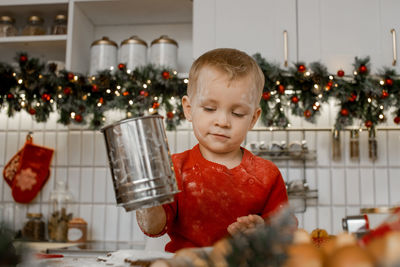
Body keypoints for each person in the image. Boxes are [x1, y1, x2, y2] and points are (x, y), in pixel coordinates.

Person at [136, 48, 288, 253]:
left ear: (253, 118)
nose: (222, 122)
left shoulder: (267, 175)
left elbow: (286, 235)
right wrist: (148, 201)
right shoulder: (174, 168)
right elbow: (153, 227)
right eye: (209, 109)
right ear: (189, 109)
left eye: (237, 113)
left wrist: (263, 231)